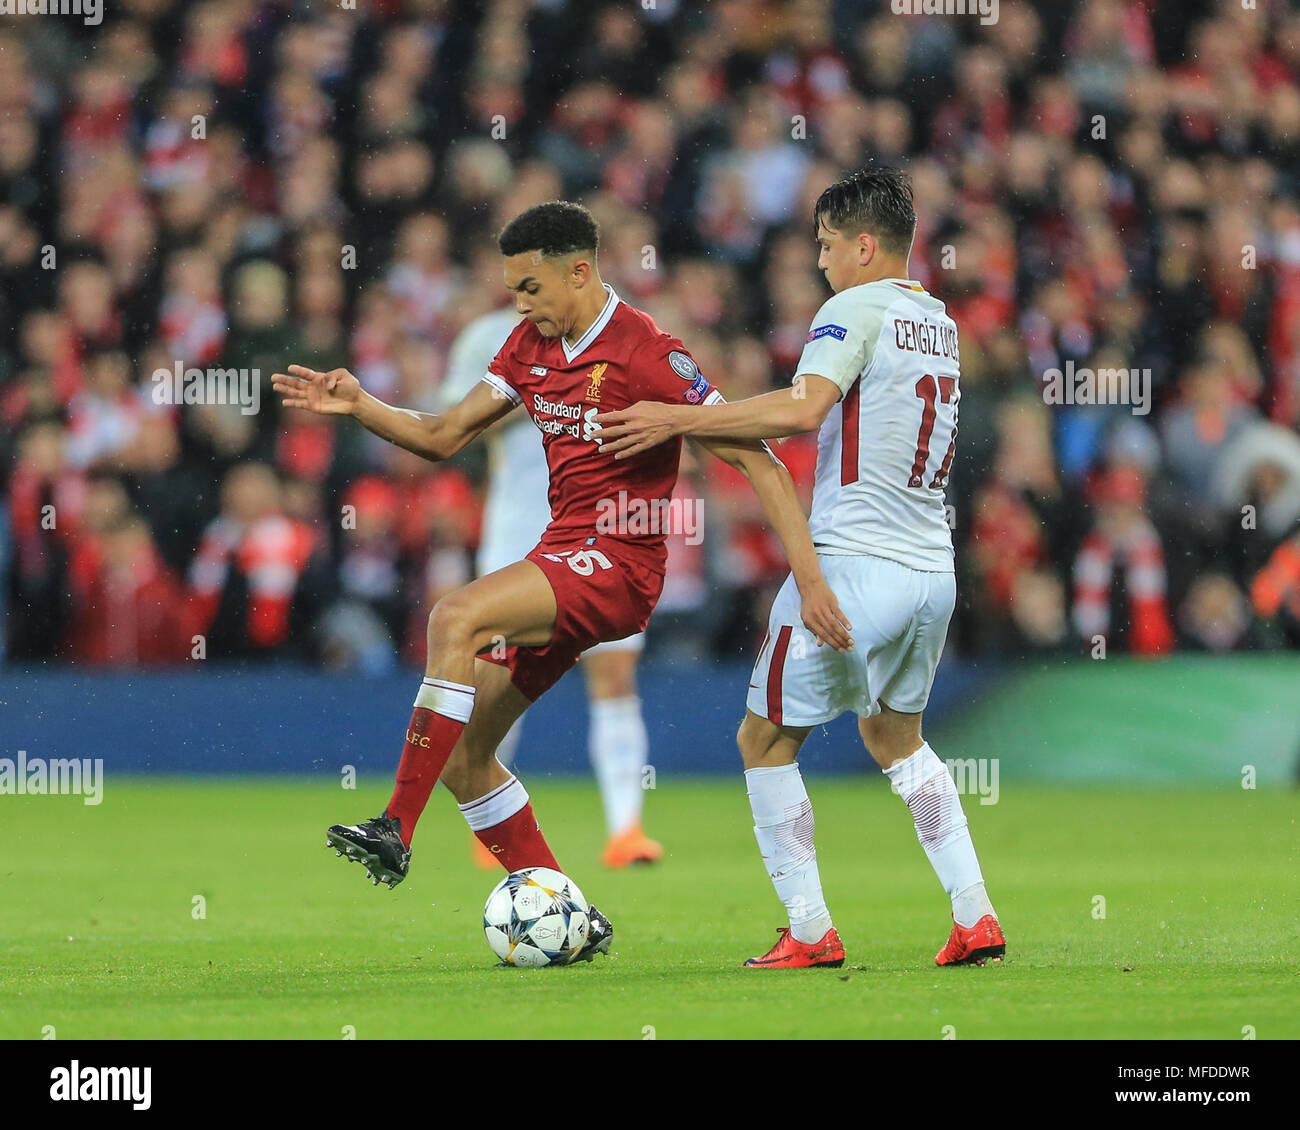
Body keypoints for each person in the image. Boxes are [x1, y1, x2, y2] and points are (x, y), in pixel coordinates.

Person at [271, 201, 850, 963]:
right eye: (513, 288)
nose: (521, 303)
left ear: (580, 271)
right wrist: (360, 406)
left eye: (531, 287)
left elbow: (759, 458)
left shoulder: (648, 351)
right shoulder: (527, 346)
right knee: (464, 755)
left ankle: (394, 829)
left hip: (621, 565)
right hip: (562, 555)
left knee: (454, 616)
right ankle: (567, 908)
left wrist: (809, 581)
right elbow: (444, 436)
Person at [597, 168, 1006, 969]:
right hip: (931, 572)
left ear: (863, 245)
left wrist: (678, 417)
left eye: (825, 246)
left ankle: (811, 929)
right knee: (896, 737)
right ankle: (975, 915)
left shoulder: (851, 307)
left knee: (762, 739)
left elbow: (801, 408)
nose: (820, 262)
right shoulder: (940, 324)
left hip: (856, 564)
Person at [438, 304, 664, 869]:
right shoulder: (490, 337)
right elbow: (452, 424)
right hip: (517, 524)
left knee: (613, 674)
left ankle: (626, 830)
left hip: (603, 525)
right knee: (494, 671)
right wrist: (541, 402)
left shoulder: (630, 336)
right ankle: (485, 820)